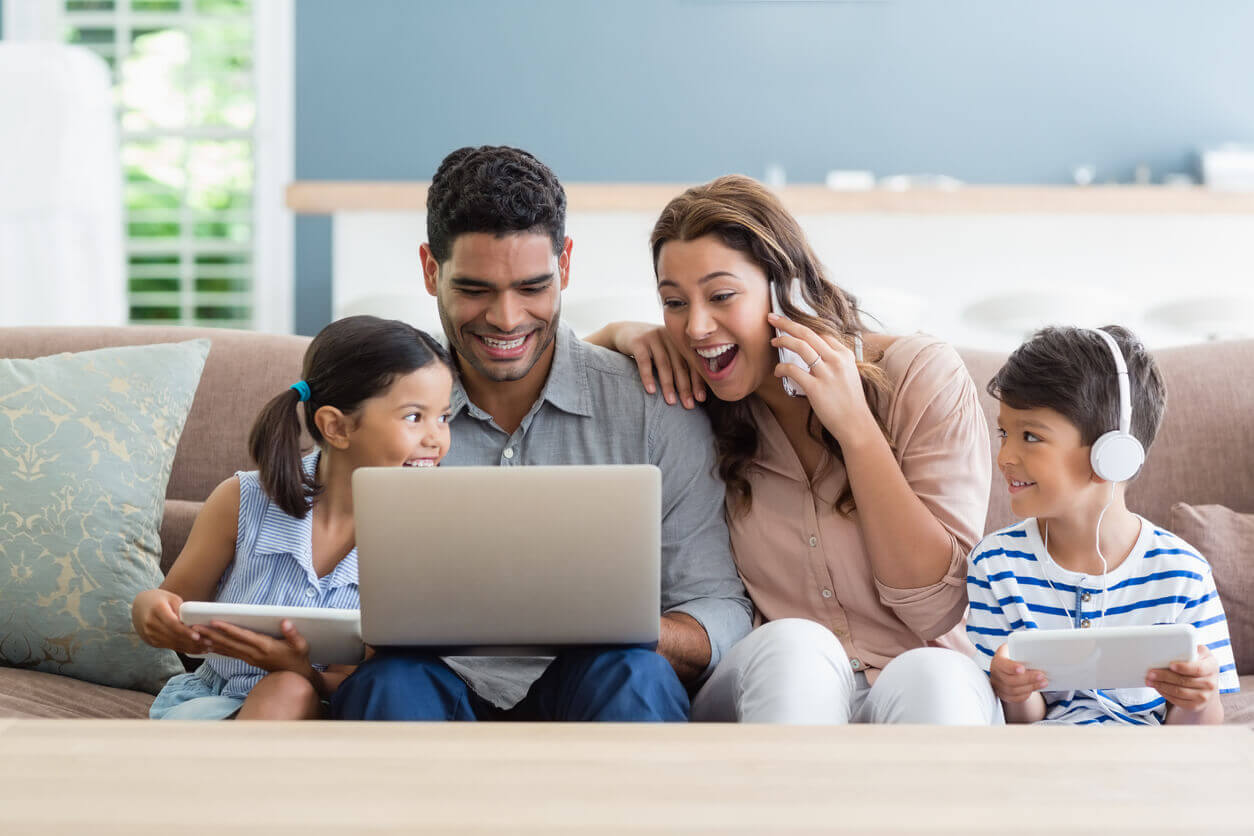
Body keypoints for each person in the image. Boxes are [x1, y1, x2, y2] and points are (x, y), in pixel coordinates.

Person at [328, 147, 752, 723]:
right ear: (431, 271)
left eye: (532, 287)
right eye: (475, 289)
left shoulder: (655, 407)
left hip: (596, 681)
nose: (506, 318)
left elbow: (721, 610)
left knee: (635, 671)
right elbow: (309, 573)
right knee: (387, 685)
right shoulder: (370, 408)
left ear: (566, 265)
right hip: (427, 682)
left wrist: (623, 625)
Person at [587, 175, 999, 724]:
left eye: (721, 295)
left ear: (788, 291)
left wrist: (856, 429)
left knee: (936, 675)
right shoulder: (693, 396)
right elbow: (554, 385)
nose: (697, 326)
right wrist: (616, 333)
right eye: (674, 302)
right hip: (775, 682)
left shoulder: (918, 377)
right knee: (797, 647)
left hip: (917, 674)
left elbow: (933, 608)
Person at [133, 316, 455, 720]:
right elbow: (171, 602)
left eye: (444, 417)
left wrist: (298, 671)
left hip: (325, 709)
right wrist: (151, 612)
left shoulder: (420, 539)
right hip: (210, 705)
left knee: (287, 688)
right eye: (414, 417)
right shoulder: (241, 499)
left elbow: (362, 680)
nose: (436, 438)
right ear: (336, 427)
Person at [967, 325, 1239, 725]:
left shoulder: (1183, 572)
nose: (1005, 455)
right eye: (1004, 432)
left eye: (1030, 436)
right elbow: (1018, 724)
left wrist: (1197, 699)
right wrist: (1014, 693)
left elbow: (1194, 733)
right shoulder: (995, 564)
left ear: (1113, 455)